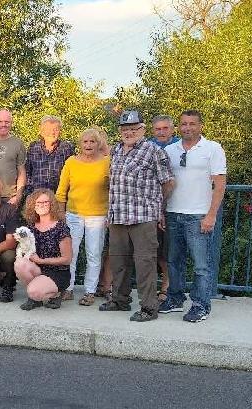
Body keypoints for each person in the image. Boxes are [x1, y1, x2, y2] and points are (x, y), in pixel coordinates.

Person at [100, 110, 174, 322]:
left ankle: (149, 308)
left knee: (145, 263)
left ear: (142, 129)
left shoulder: (153, 151)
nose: (129, 132)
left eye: (133, 128)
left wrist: (158, 209)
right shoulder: (115, 151)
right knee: (118, 261)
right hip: (118, 216)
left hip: (143, 216)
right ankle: (120, 300)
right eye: (125, 129)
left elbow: (168, 182)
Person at [159, 110, 226, 323]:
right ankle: (175, 298)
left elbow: (220, 184)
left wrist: (211, 215)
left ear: (200, 126)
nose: (188, 127)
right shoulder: (170, 150)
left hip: (199, 215)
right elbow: (165, 183)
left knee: (201, 265)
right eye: (184, 124)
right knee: (173, 261)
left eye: (192, 124)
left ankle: (200, 305)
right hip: (173, 213)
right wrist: (162, 210)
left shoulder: (212, 149)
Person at [55, 128, 110, 306]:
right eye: (85, 142)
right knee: (70, 253)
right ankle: (68, 288)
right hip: (73, 215)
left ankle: (90, 291)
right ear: (80, 144)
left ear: (98, 144)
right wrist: (61, 214)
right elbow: (62, 191)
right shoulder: (71, 162)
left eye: (92, 142)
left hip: (98, 216)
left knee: (93, 255)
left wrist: (111, 214)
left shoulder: (107, 162)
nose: (88, 145)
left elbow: (113, 191)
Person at [16, 189, 72, 310]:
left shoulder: (61, 227)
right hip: (38, 269)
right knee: (20, 264)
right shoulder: (30, 227)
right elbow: (26, 250)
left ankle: (56, 294)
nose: (42, 205)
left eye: (45, 202)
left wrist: (41, 261)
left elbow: (67, 259)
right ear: (33, 206)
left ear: (51, 204)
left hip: (57, 272)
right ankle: (36, 298)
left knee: (33, 291)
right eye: (38, 203)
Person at [148, 115, 180, 302]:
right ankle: (152, 288)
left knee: (169, 252)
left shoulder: (180, 146)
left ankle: (168, 288)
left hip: (174, 205)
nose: (161, 132)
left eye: (165, 128)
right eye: (158, 129)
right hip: (151, 207)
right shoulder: (148, 146)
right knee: (153, 252)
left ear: (172, 129)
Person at [25, 115, 75, 195]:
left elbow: (72, 174)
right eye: (48, 130)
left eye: (56, 129)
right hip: (36, 197)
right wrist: (30, 192)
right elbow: (27, 171)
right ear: (41, 132)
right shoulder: (33, 147)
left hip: (59, 196)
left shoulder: (66, 148)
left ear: (60, 132)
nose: (52, 133)